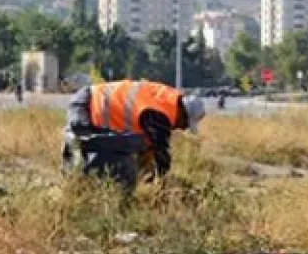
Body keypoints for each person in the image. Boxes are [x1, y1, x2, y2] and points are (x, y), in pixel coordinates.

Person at [62, 79, 206, 186]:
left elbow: (148, 148)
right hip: (88, 109)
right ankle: (76, 192)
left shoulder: (166, 98)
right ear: (183, 114)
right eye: (184, 124)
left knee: (111, 158)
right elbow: (160, 153)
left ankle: (75, 187)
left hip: (87, 99)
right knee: (112, 166)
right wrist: (160, 180)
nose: (181, 128)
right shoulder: (161, 114)